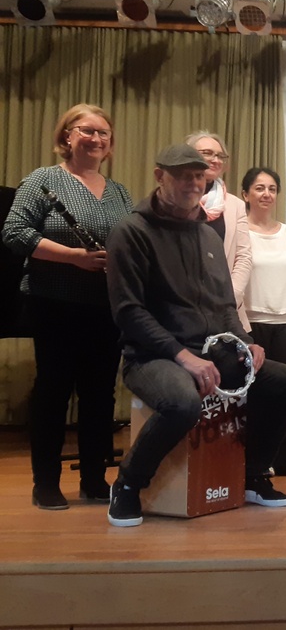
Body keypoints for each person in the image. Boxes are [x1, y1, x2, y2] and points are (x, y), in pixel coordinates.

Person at [104, 144, 286, 527]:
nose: (193, 183)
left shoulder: (208, 236)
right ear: (159, 176)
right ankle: (129, 484)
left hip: (212, 351)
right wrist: (184, 357)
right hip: (152, 356)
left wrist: (244, 341)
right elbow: (128, 313)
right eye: (183, 175)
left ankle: (251, 475)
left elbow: (222, 306)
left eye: (199, 176)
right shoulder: (131, 232)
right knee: (183, 405)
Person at [2, 104, 133, 510]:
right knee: (54, 393)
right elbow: (14, 231)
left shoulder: (119, 191)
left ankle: (95, 480)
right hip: (54, 302)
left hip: (104, 306)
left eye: (104, 134)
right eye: (87, 131)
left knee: (100, 396)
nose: (96, 139)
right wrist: (73, 257)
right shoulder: (44, 180)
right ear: (68, 135)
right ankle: (46, 483)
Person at [242, 167, 286, 478]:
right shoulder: (239, 232)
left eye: (272, 188)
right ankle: (261, 458)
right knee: (256, 395)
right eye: (259, 188)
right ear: (246, 194)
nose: (266, 194)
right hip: (251, 323)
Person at [186, 131, 252, 332]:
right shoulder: (175, 199)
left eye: (219, 156)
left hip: (225, 309)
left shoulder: (236, 205)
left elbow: (243, 256)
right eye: (207, 153)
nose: (215, 160)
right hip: (184, 308)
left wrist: (230, 296)